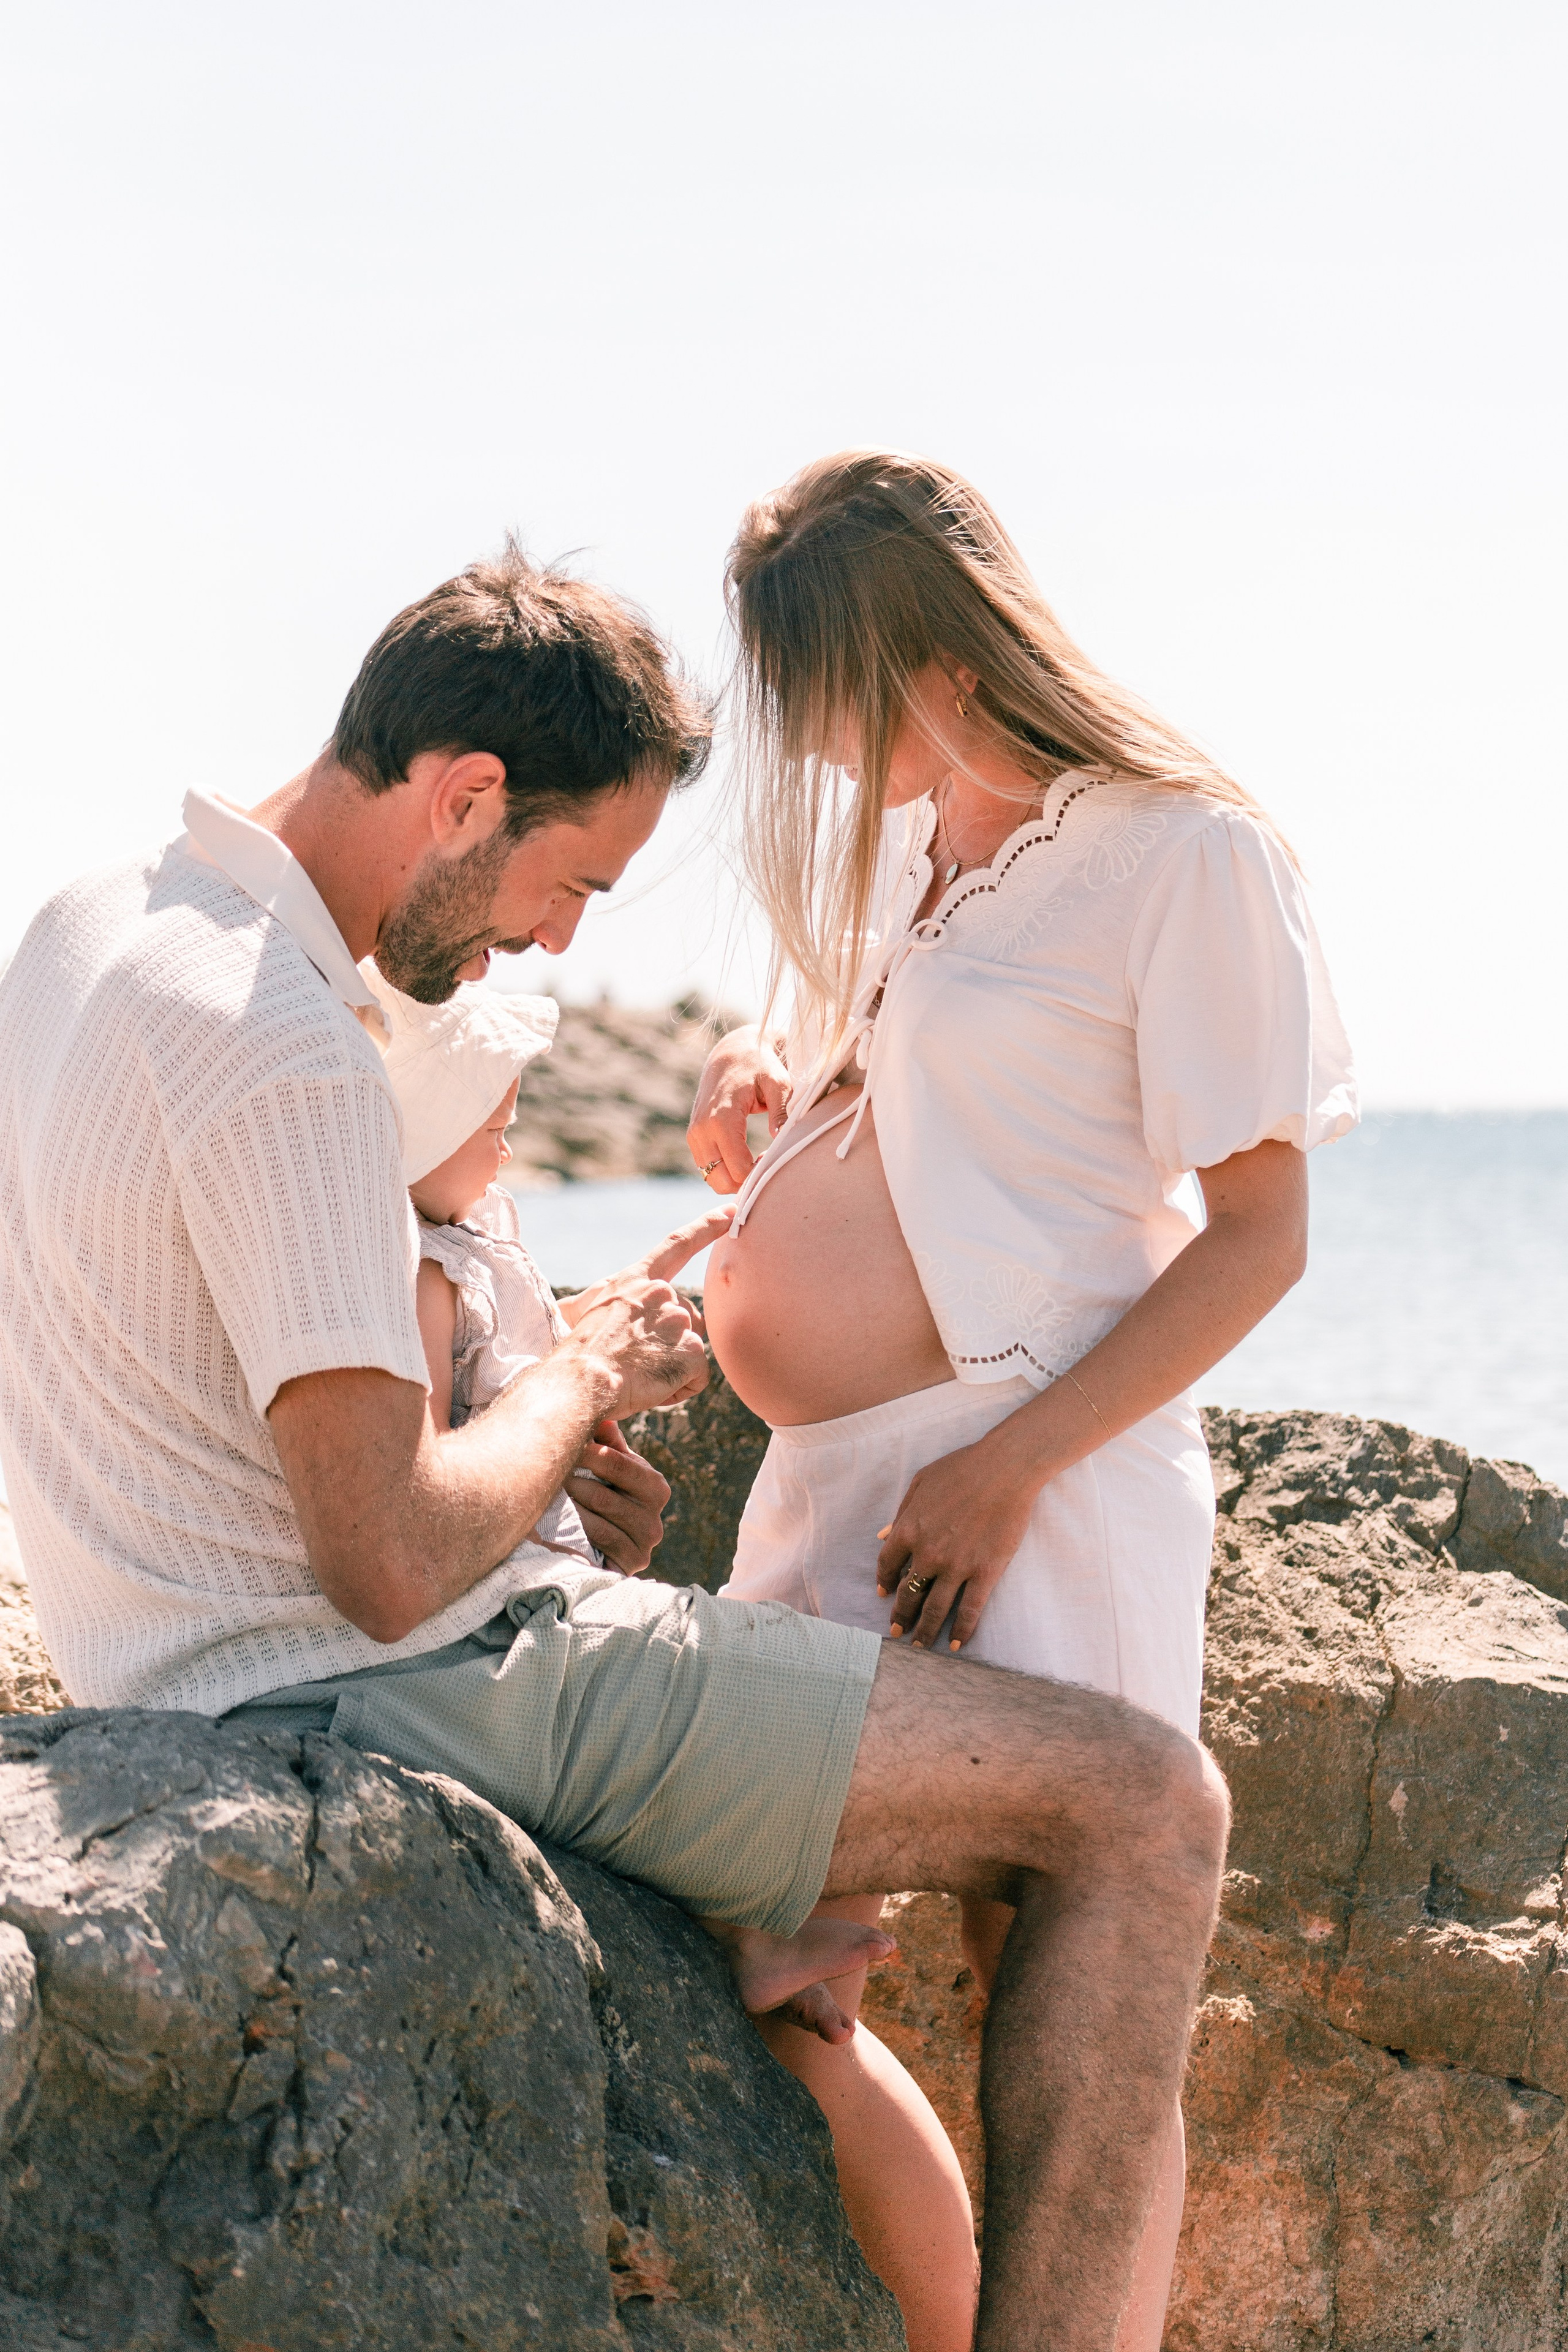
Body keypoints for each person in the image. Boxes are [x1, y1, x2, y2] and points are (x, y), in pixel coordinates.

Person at [0, 538, 1229, 2352]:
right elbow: (395, 1556)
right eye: (571, 880)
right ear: (466, 794)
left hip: (157, 1660)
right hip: (401, 1678)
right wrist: (574, 1378)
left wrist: (526, 1414)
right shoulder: (284, 1046)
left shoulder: (89, 922)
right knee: (1146, 1807)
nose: (559, 940)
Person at [688, 448, 1357, 2352]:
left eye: (812, 690)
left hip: (1040, 1484)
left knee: (1073, 1971)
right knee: (774, 1950)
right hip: (828, 1484)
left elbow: (1257, 1238)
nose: (806, 748)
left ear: (910, 651)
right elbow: (941, 1110)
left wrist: (1004, 1468)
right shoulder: (924, 853)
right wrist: (777, 1085)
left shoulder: (1182, 853)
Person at [374, 963, 897, 2027]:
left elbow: (505, 1366)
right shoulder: (421, 1271)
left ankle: (748, 1927)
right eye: (493, 1124)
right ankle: (747, 1929)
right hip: (503, 1611)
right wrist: (585, 1380)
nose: (509, 1146)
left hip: (545, 1578)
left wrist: (587, 1325)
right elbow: (437, 1455)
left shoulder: (474, 1238)